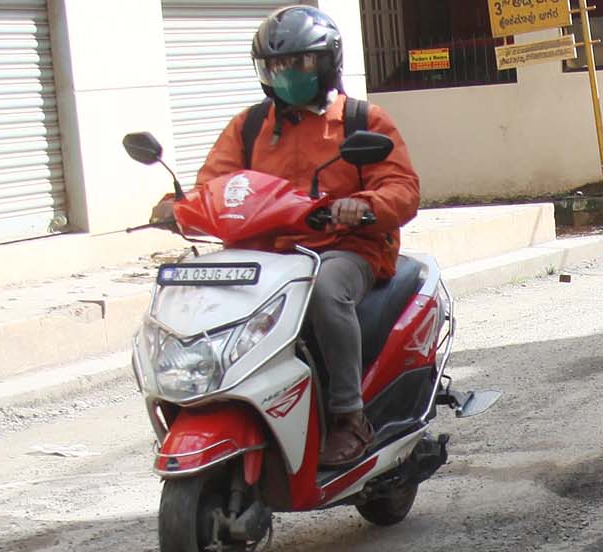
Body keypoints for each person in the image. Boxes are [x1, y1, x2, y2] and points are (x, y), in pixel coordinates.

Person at [153, 6, 421, 466]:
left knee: (326, 292)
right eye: (275, 66)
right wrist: (179, 207)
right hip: (264, 252)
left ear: (327, 63)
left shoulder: (362, 120)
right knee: (195, 290)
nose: (286, 75)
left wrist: (363, 206)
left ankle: (348, 415)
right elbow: (215, 184)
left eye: (299, 63)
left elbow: (402, 189)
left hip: (342, 249)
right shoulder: (249, 126)